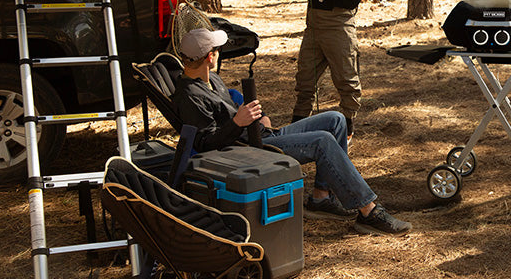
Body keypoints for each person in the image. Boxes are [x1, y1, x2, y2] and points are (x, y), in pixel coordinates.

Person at [171, 26, 411, 236]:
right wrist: (238, 123)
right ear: (210, 57)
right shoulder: (189, 95)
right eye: (217, 50)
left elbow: (232, 112)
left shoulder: (211, 79)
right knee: (322, 141)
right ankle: (368, 211)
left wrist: (257, 118)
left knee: (336, 120)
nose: (219, 54)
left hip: (259, 134)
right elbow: (204, 144)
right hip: (249, 150)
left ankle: (320, 198)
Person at [291, 0, 364, 140]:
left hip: (338, 29)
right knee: (304, 79)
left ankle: (347, 128)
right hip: (312, 29)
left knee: (345, 79)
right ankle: (297, 127)